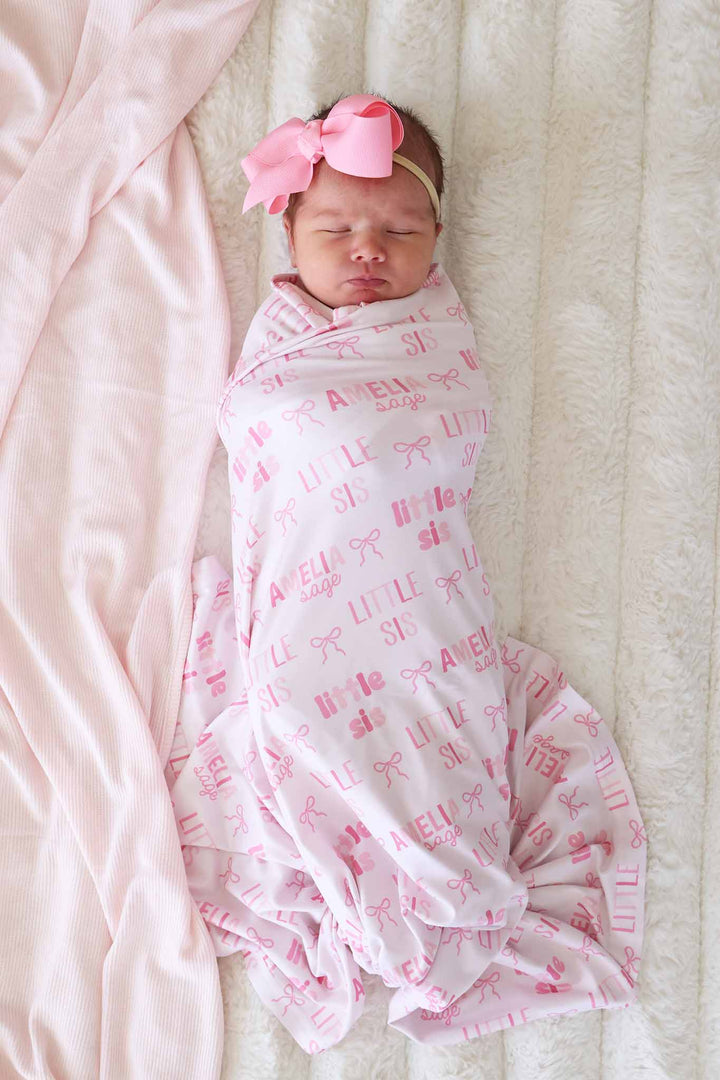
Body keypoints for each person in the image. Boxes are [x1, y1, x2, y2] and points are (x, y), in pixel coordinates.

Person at [167, 93, 647, 1053]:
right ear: (289, 228)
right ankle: (362, 881)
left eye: (399, 230)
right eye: (337, 228)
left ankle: (441, 871)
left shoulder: (435, 347)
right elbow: (259, 425)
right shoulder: (276, 348)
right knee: (298, 714)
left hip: (420, 606)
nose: (367, 252)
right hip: (310, 607)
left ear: (438, 241)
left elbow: (437, 432)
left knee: (435, 718)